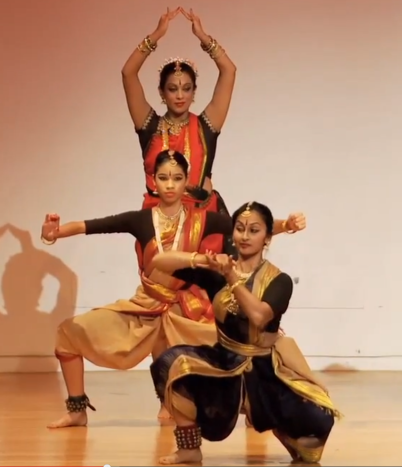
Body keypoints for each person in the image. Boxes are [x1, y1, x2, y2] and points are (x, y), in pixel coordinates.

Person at [40, 151, 306, 429]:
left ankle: (254, 408)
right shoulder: (140, 219)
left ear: (185, 182)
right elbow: (93, 226)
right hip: (144, 306)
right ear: (153, 181)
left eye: (177, 178)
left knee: (248, 345)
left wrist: (286, 225)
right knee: (69, 332)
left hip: (185, 311)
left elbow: (247, 227)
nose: (169, 184)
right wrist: (54, 233)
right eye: (164, 178)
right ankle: (76, 410)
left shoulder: (203, 219)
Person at [148, 201, 340, 465]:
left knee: (320, 420)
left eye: (254, 230)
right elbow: (159, 261)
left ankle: (282, 427)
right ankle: (189, 449)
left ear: (268, 238)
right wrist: (203, 259)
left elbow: (259, 316)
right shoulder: (216, 272)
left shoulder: (279, 280)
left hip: (265, 371)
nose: (245, 236)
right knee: (168, 364)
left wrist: (231, 278)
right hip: (224, 364)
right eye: (240, 229)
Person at [122, 7, 237, 255]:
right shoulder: (150, 126)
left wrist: (204, 39)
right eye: (173, 89)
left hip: (201, 226)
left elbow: (229, 71)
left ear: (194, 91)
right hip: (157, 225)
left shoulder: (206, 126)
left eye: (186, 88)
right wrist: (157, 35)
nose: (180, 95)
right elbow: (128, 73)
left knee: (203, 292)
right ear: (162, 93)